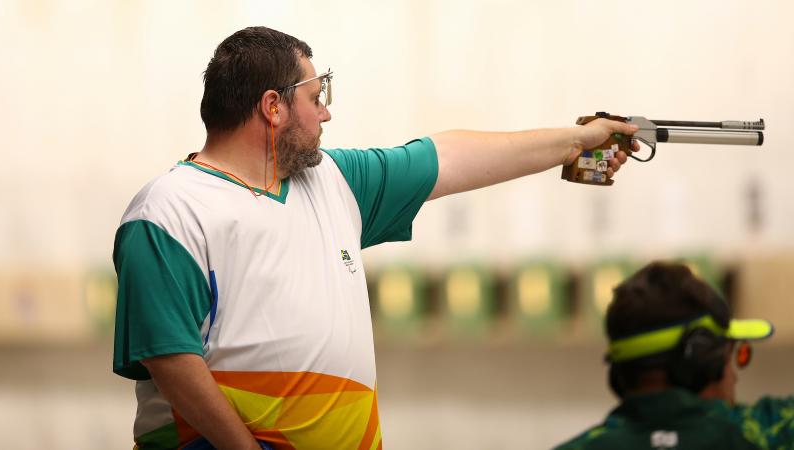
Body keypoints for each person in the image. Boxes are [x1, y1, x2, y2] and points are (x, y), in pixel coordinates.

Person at [112, 26, 638, 450]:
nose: (326, 114)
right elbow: (171, 356)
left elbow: (450, 157)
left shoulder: (332, 180)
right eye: (315, 98)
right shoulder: (169, 210)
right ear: (273, 107)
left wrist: (577, 141)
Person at [554, 262, 794, 450]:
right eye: (731, 357)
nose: (734, 377)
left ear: (618, 374)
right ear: (702, 361)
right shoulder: (763, 435)